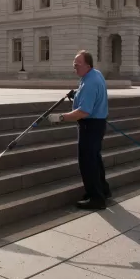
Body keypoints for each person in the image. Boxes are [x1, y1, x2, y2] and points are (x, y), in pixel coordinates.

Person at [47, 50, 110, 210]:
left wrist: (61, 117)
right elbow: (89, 97)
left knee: (87, 162)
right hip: (98, 124)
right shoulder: (94, 75)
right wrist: (77, 95)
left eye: (77, 64)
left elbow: (83, 112)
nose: (74, 67)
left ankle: (96, 198)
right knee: (95, 160)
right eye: (74, 64)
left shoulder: (90, 82)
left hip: (90, 125)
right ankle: (103, 191)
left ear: (87, 65)